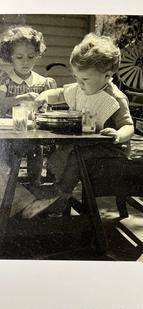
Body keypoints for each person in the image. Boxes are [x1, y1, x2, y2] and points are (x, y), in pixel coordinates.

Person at [35, 33, 134, 195]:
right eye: (76, 77)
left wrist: (118, 134)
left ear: (107, 76)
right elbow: (60, 94)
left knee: (75, 156)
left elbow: (128, 126)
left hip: (111, 151)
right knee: (60, 151)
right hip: (87, 143)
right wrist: (45, 96)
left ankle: (60, 195)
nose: (79, 83)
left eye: (85, 79)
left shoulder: (115, 98)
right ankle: (52, 187)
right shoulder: (82, 88)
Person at [0, 25, 62, 219]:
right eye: (19, 57)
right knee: (6, 164)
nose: (25, 62)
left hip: (33, 133)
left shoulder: (44, 82)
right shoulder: (5, 79)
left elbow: (48, 110)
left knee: (37, 153)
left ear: (38, 55)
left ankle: (34, 189)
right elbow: (1, 104)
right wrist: (18, 99)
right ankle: (12, 194)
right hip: (8, 134)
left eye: (30, 57)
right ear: (10, 57)